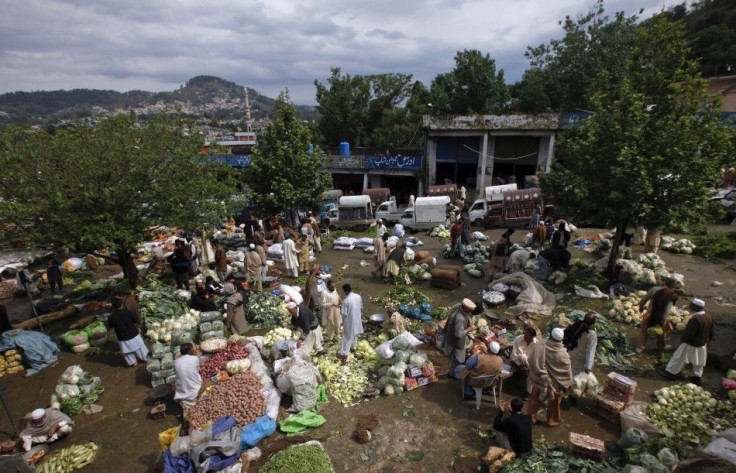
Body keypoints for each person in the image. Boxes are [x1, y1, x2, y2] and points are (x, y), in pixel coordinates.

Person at [526, 327, 573, 427]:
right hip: (556, 385)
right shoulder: (563, 354)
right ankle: (552, 421)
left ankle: (531, 418)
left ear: (551, 336)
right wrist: (569, 383)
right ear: (561, 339)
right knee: (554, 404)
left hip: (540, 381)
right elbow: (566, 372)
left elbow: (531, 360)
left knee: (534, 399)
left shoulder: (540, 345)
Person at [661, 299, 713, 385]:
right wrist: (707, 341)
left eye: (691, 305)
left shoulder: (695, 319)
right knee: (699, 361)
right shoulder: (708, 316)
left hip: (690, 343)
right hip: (702, 344)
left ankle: (671, 373)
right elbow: (711, 332)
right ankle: (697, 377)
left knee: (678, 357)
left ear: (696, 307)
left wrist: (683, 341)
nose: (689, 306)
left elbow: (689, 333)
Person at [564, 312, 598, 405]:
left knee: (568, 373)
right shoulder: (592, 334)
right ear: (593, 322)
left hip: (571, 353)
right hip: (580, 359)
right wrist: (588, 366)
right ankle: (571, 395)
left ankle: (564, 389)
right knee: (576, 378)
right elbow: (590, 351)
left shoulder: (577, 324)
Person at [637, 278, 678, 353]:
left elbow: (644, 299)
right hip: (662, 316)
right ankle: (660, 345)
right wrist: (664, 319)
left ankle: (640, 347)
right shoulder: (672, 294)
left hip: (650, 314)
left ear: (665, 282)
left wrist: (641, 306)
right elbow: (668, 308)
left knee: (644, 330)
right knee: (662, 331)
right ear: (673, 285)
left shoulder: (655, 289)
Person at [107, 296, 149, 367]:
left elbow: (110, 326)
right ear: (122, 305)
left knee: (127, 351)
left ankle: (132, 362)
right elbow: (135, 320)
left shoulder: (111, 317)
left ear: (113, 307)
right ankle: (145, 358)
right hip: (133, 334)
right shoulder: (128, 313)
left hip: (122, 337)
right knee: (140, 348)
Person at [442, 299, 476, 379]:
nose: (470, 312)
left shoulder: (457, 307)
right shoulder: (460, 319)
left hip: (450, 337)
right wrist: (468, 329)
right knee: (456, 359)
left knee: (453, 359)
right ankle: (452, 375)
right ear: (466, 308)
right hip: (455, 341)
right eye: (470, 310)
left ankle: (452, 372)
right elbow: (458, 334)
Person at [173, 343, 202, 419]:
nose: (194, 350)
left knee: (177, 381)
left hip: (184, 391)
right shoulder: (195, 358)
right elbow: (197, 370)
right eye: (192, 349)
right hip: (195, 389)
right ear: (189, 351)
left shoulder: (176, 362)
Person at [511, 326, 539, 398]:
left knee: (531, 373)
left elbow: (537, 359)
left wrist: (530, 368)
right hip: (518, 361)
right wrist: (520, 365)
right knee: (521, 356)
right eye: (524, 334)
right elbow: (513, 356)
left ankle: (528, 392)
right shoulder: (518, 339)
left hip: (529, 365)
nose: (524, 336)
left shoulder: (537, 344)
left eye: (527, 335)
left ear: (532, 337)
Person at [339, 284, 363, 359]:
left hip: (350, 321)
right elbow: (361, 306)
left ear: (346, 291)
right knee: (355, 335)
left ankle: (344, 353)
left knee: (347, 337)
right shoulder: (358, 296)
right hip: (357, 319)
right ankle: (353, 348)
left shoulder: (346, 301)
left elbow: (344, 313)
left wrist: (340, 306)